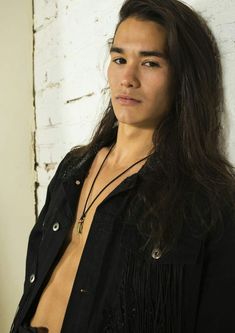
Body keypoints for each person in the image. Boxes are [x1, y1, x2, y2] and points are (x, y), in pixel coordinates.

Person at [11, 0, 235, 332]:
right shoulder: (73, 168)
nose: (127, 78)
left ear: (183, 77)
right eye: (119, 59)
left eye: (150, 63)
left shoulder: (208, 200)